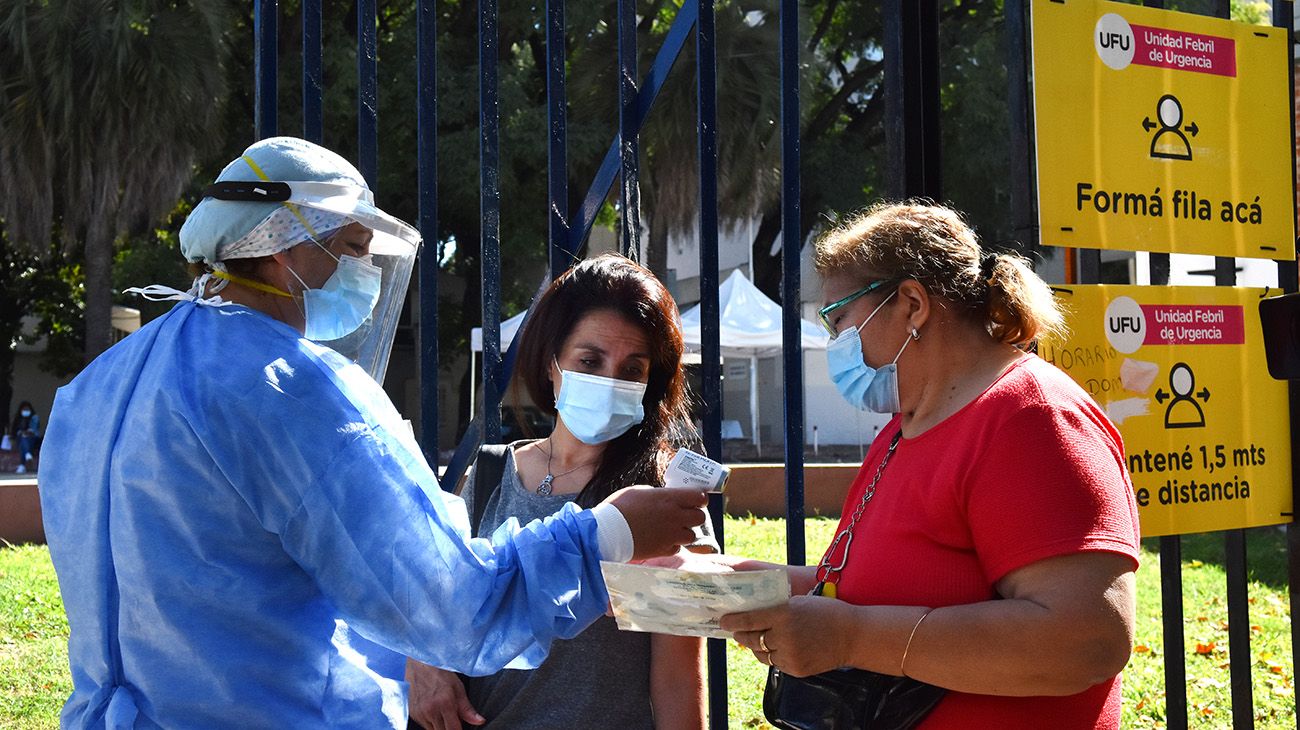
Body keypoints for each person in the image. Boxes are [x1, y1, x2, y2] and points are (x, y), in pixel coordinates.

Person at [39, 137, 708, 729]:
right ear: (285, 245)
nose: (362, 273)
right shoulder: (296, 387)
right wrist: (610, 533)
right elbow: (457, 609)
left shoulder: (98, 386)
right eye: (354, 250)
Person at [710, 202, 1140, 729]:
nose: (832, 342)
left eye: (838, 318)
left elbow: (1087, 640)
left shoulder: (1033, 417)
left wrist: (852, 637)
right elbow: (885, 585)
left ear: (912, 303)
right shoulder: (905, 426)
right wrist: (763, 587)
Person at [406, 254, 714, 730]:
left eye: (632, 369)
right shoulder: (490, 473)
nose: (610, 380)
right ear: (552, 365)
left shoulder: (664, 495)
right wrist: (423, 662)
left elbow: (677, 679)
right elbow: (437, 604)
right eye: (589, 360)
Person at [10, 401, 40, 473]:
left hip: (32, 438)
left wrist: (28, 432)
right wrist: (22, 433)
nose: (25, 411)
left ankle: (22, 465)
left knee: (24, 442)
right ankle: (27, 454)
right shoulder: (18, 418)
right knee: (23, 439)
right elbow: (15, 431)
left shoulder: (34, 417)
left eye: (27, 409)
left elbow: (34, 430)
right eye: (24, 409)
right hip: (20, 438)